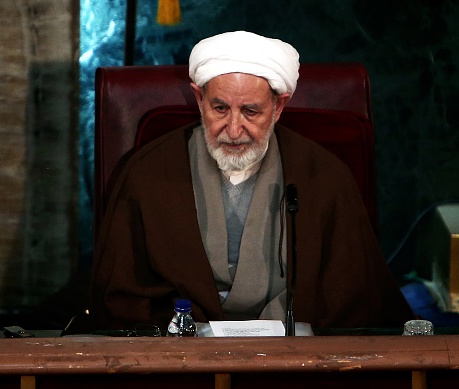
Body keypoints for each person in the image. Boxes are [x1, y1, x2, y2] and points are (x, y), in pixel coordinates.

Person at [91, 31, 414, 330]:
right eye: (220, 108)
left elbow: (352, 296)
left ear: (278, 106)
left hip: (291, 359)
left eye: (250, 112)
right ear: (199, 99)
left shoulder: (324, 176)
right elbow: (124, 295)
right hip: (184, 358)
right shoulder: (149, 173)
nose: (233, 129)